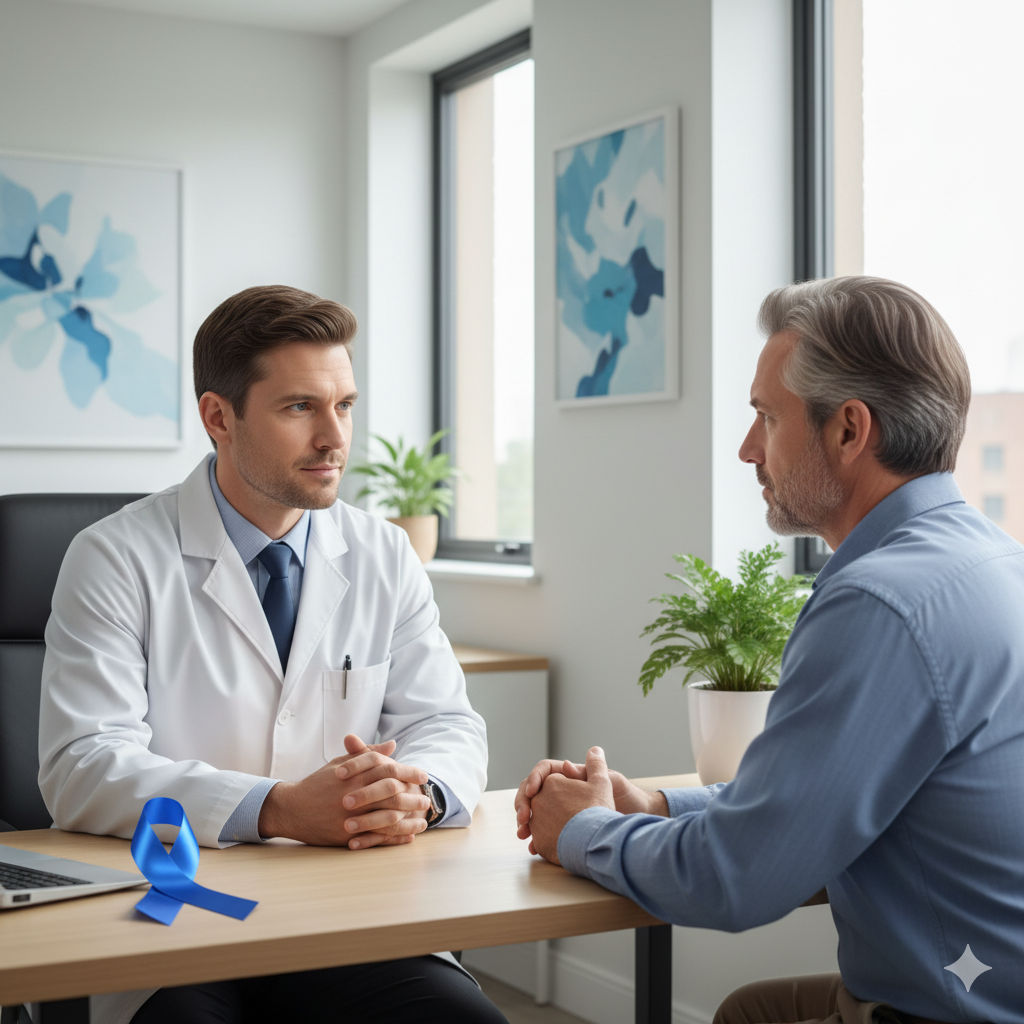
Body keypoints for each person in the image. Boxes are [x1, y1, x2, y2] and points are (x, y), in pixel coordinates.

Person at [514, 276, 1024, 1024]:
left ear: (850, 430)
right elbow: (823, 797)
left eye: (765, 417)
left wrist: (581, 832)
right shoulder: (990, 560)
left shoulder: (878, 603)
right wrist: (654, 805)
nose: (748, 449)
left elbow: (740, 877)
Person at [39, 285, 506, 1024]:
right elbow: (82, 767)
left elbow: (448, 723)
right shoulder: (115, 557)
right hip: (181, 915)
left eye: (344, 405)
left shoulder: (383, 552)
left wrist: (416, 795)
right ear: (218, 417)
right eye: (301, 408)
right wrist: (279, 809)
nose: (334, 438)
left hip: (350, 916)